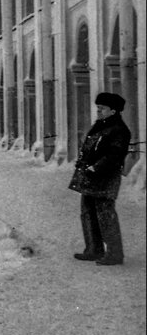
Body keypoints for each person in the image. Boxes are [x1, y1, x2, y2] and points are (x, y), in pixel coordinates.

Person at [70, 92, 131, 266]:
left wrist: (96, 167)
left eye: (102, 108)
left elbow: (114, 155)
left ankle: (114, 253)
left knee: (105, 215)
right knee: (88, 213)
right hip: (90, 176)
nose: (99, 111)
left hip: (105, 177)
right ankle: (93, 249)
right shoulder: (100, 125)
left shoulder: (119, 130)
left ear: (113, 111)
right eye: (98, 108)